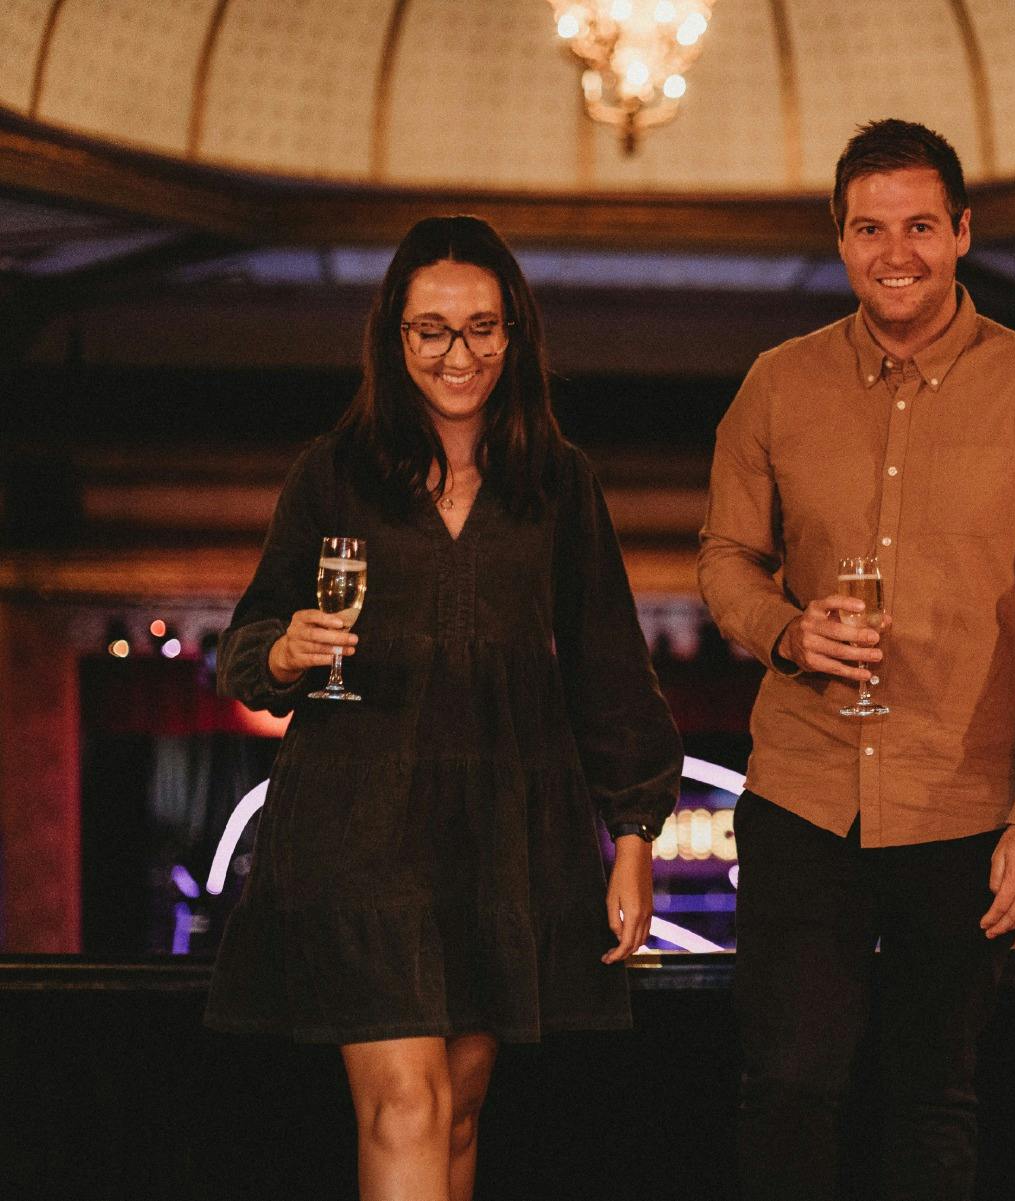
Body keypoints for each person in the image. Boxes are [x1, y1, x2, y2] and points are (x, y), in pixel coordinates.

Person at [205, 215, 681, 1201]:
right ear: (393, 336)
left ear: (514, 335)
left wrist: (632, 834)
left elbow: (609, 669)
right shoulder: (332, 474)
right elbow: (246, 653)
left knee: (457, 1111)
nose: (458, 354)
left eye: (481, 328)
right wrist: (286, 649)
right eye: (432, 330)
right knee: (408, 1106)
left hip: (507, 837)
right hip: (358, 830)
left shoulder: (557, 482)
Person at [699, 119, 1015, 1200]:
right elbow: (723, 560)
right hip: (800, 793)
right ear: (838, 241)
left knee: (936, 1098)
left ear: (962, 232)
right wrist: (789, 631)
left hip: (965, 802)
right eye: (869, 227)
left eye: (920, 225)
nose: (897, 251)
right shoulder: (775, 384)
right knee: (786, 1084)